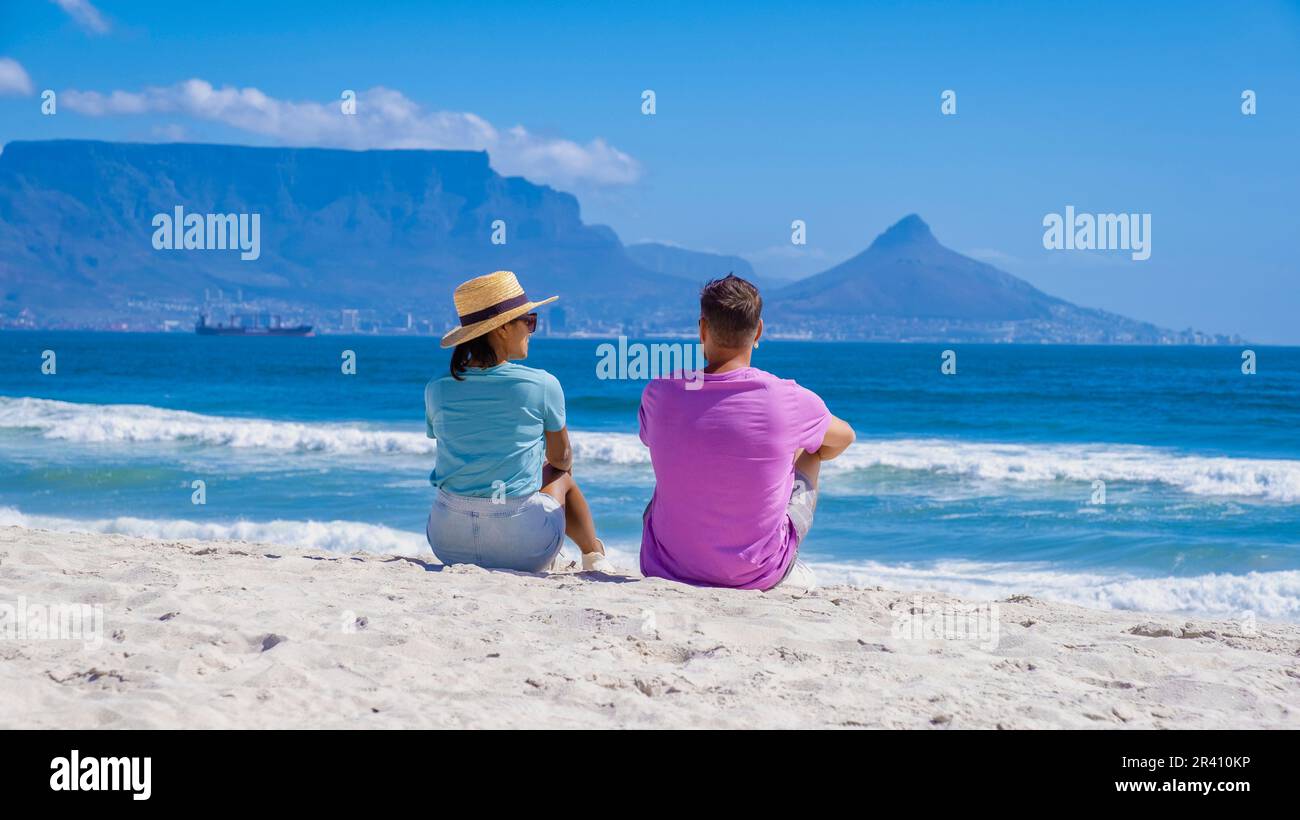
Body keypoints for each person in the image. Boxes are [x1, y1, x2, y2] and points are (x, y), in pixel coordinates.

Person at [638, 274, 855, 591]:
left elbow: (655, 440)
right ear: (759, 331)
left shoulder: (659, 392)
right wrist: (791, 456)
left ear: (702, 329)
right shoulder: (788, 398)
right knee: (812, 447)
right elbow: (845, 437)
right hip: (755, 575)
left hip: (667, 567)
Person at [424, 270, 613, 573]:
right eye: (529, 321)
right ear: (500, 329)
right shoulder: (542, 384)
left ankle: (591, 553)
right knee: (561, 475)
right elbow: (561, 458)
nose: (531, 330)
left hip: (447, 541)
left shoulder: (437, 387)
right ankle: (594, 553)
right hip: (522, 546)